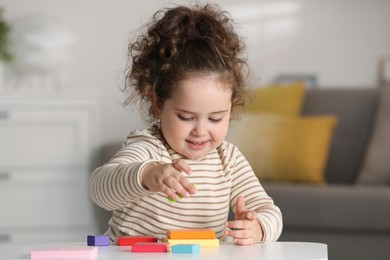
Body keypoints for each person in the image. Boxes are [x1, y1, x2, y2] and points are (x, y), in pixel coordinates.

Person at [90, 3, 282, 245]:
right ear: (158, 104)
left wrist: (259, 227)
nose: (200, 130)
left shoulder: (228, 160)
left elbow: (268, 210)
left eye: (215, 118)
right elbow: (100, 189)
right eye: (186, 117)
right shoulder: (149, 148)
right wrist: (146, 174)